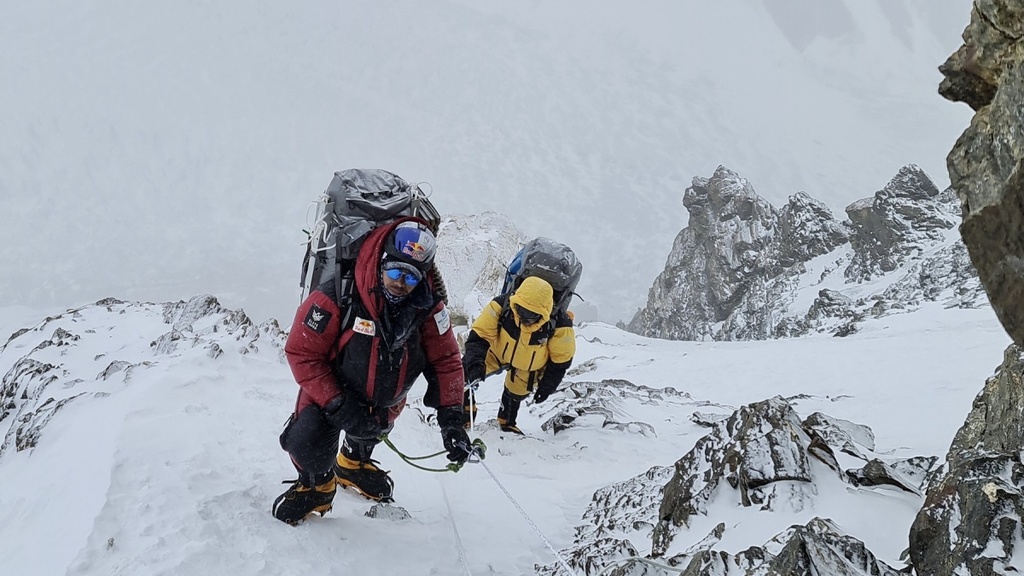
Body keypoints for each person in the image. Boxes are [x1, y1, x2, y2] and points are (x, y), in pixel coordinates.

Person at [272, 219, 472, 525]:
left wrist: (453, 421)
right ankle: (317, 486)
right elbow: (302, 352)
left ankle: (353, 464)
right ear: (381, 262)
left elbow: (446, 361)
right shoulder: (338, 295)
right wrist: (337, 402)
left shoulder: (429, 309)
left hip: (384, 401)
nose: (400, 283)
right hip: (328, 397)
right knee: (307, 440)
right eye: (393, 271)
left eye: (411, 277)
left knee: (371, 429)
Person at [461, 276, 576, 434]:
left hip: (528, 366)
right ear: (515, 302)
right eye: (521, 310)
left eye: (532, 315)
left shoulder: (560, 324)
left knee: (516, 392)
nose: (524, 318)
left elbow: (561, 360)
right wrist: (475, 363)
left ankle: (506, 422)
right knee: (463, 374)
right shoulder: (502, 305)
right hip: (497, 352)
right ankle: (463, 416)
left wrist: (547, 386)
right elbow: (480, 335)